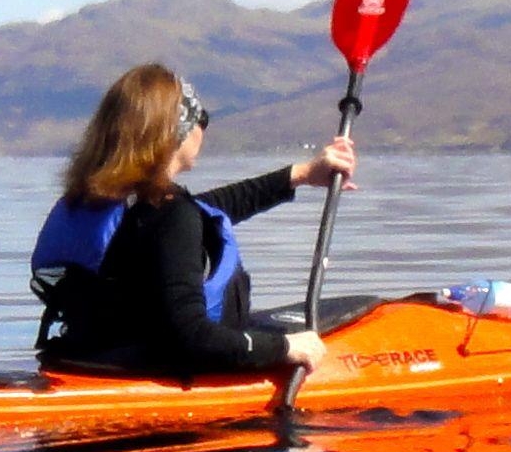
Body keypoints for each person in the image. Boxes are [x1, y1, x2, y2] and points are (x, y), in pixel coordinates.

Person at [31, 61, 358, 380]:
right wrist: (285, 347)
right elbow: (193, 337)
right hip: (152, 371)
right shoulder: (168, 215)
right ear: (176, 133)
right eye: (201, 117)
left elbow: (206, 210)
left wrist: (300, 175)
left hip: (86, 359)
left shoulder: (98, 201)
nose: (203, 128)